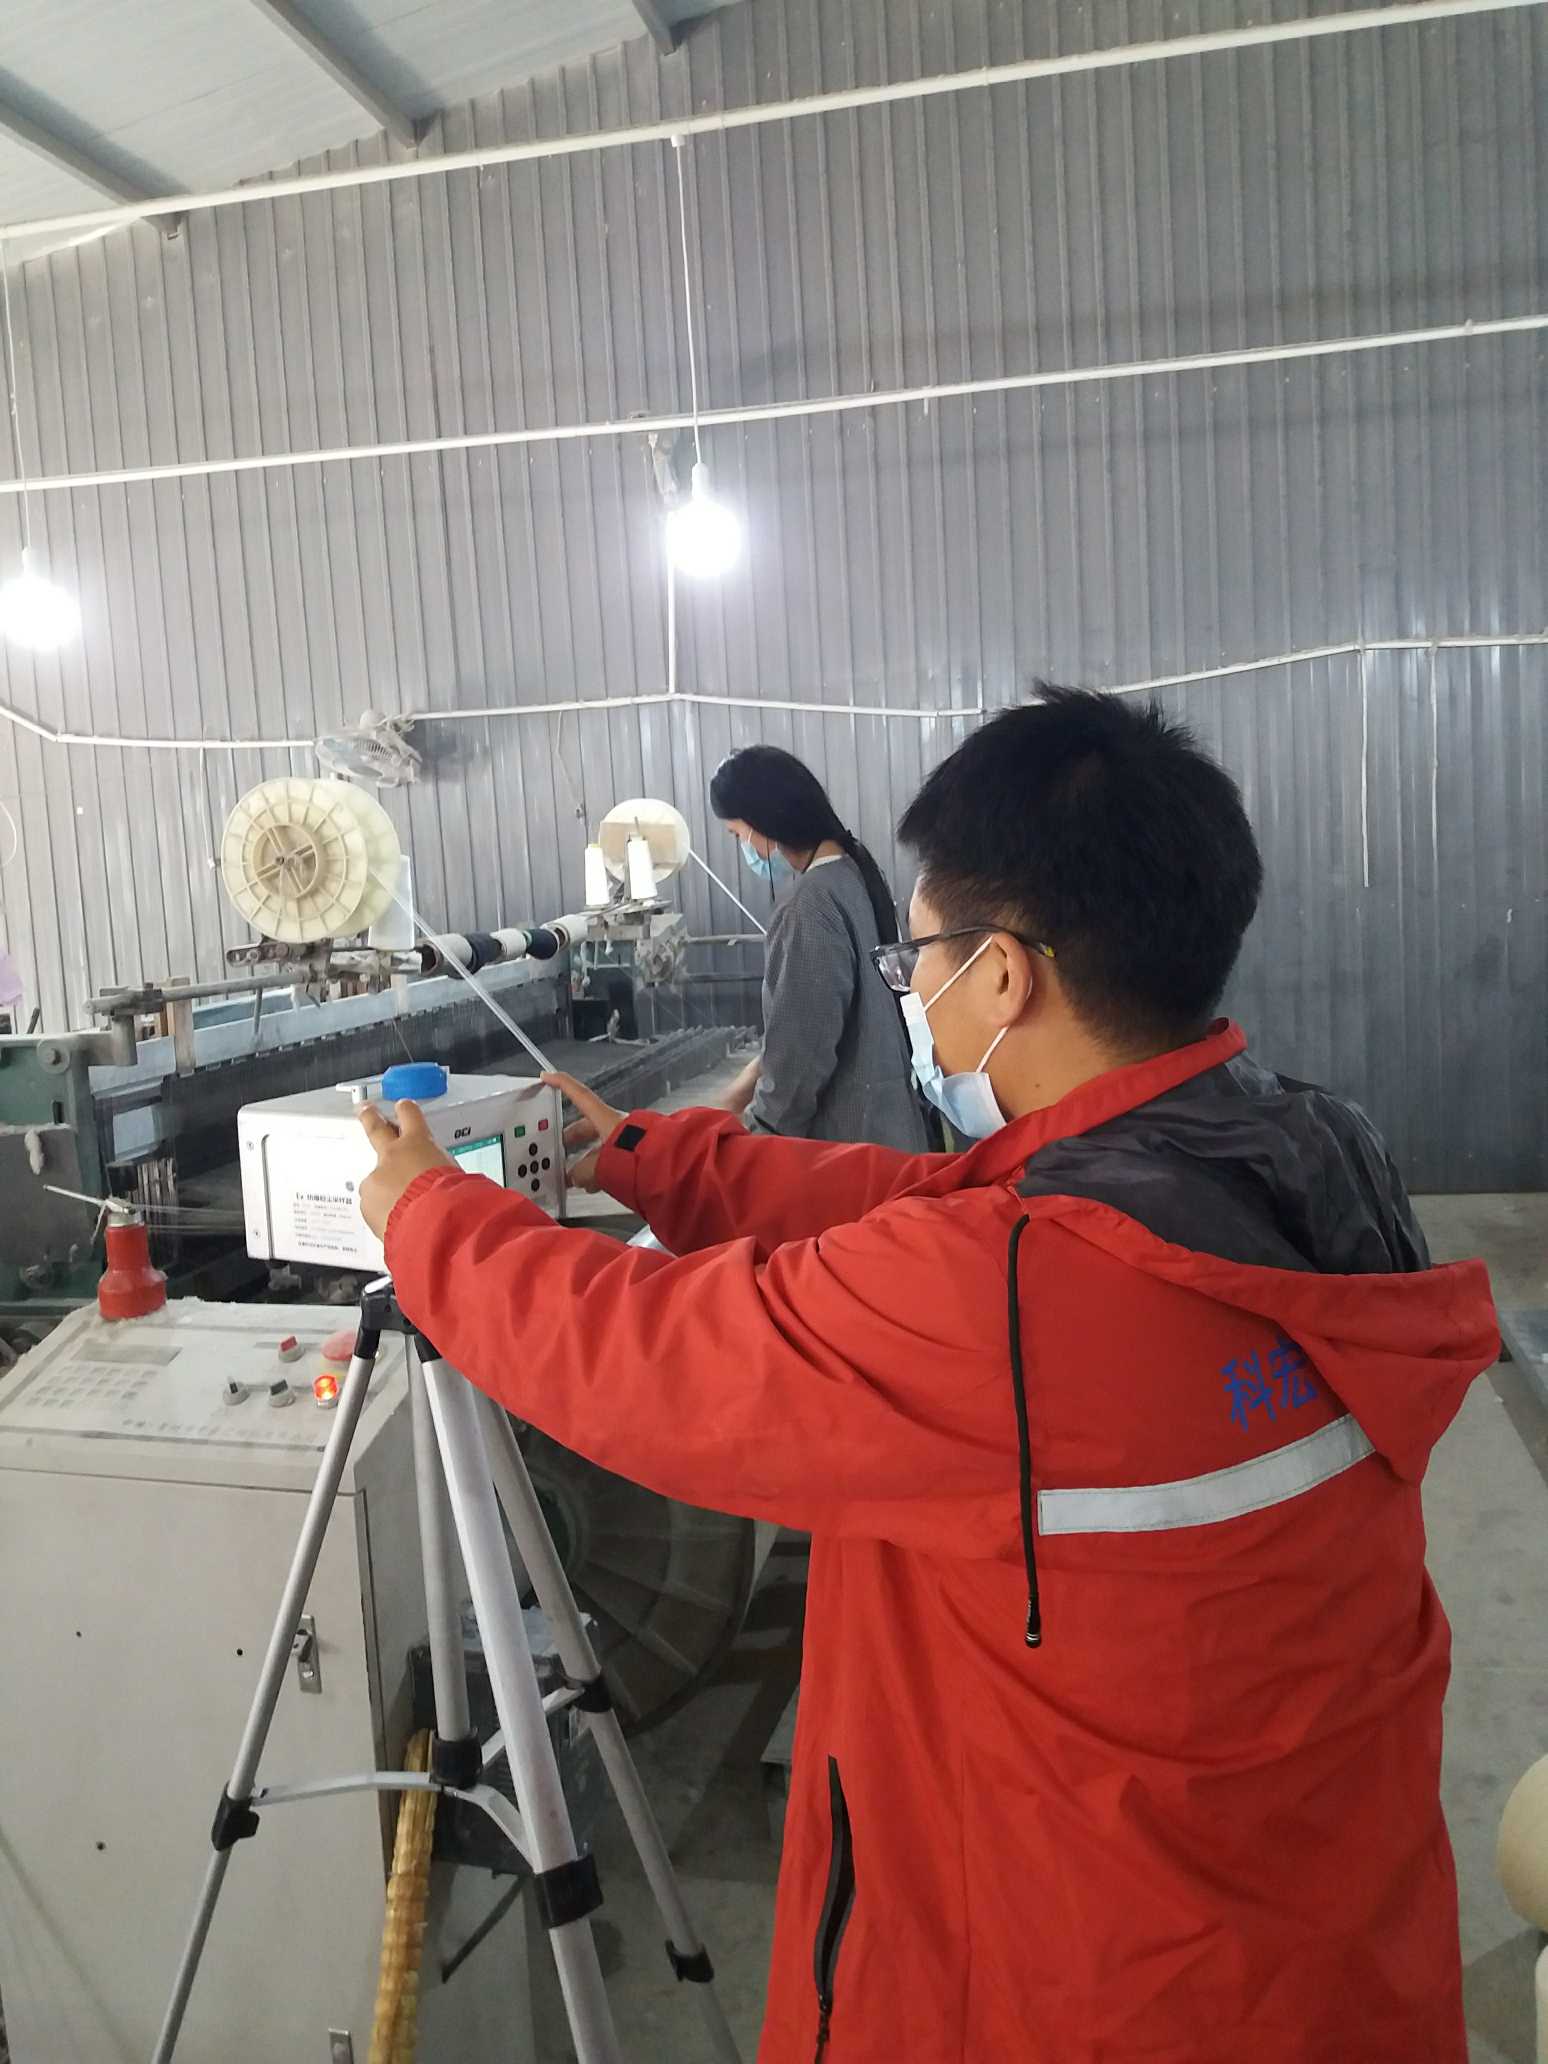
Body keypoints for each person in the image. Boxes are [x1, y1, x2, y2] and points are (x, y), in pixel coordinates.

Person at [359, 688, 1498, 2064]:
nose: (916, 991)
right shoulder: (1303, 1153)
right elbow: (934, 1205)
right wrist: (660, 1159)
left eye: (924, 958)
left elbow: (641, 1356)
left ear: (1004, 976)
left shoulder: (1006, 1298)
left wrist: (430, 1219)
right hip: (1333, 1950)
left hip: (1089, 1995)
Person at [706, 744, 930, 1149]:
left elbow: (800, 1060)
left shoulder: (809, 903)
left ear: (761, 823)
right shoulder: (855, 872)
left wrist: (759, 1141)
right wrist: (742, 1090)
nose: (744, 848)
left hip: (847, 1144)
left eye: (738, 834)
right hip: (890, 1134)